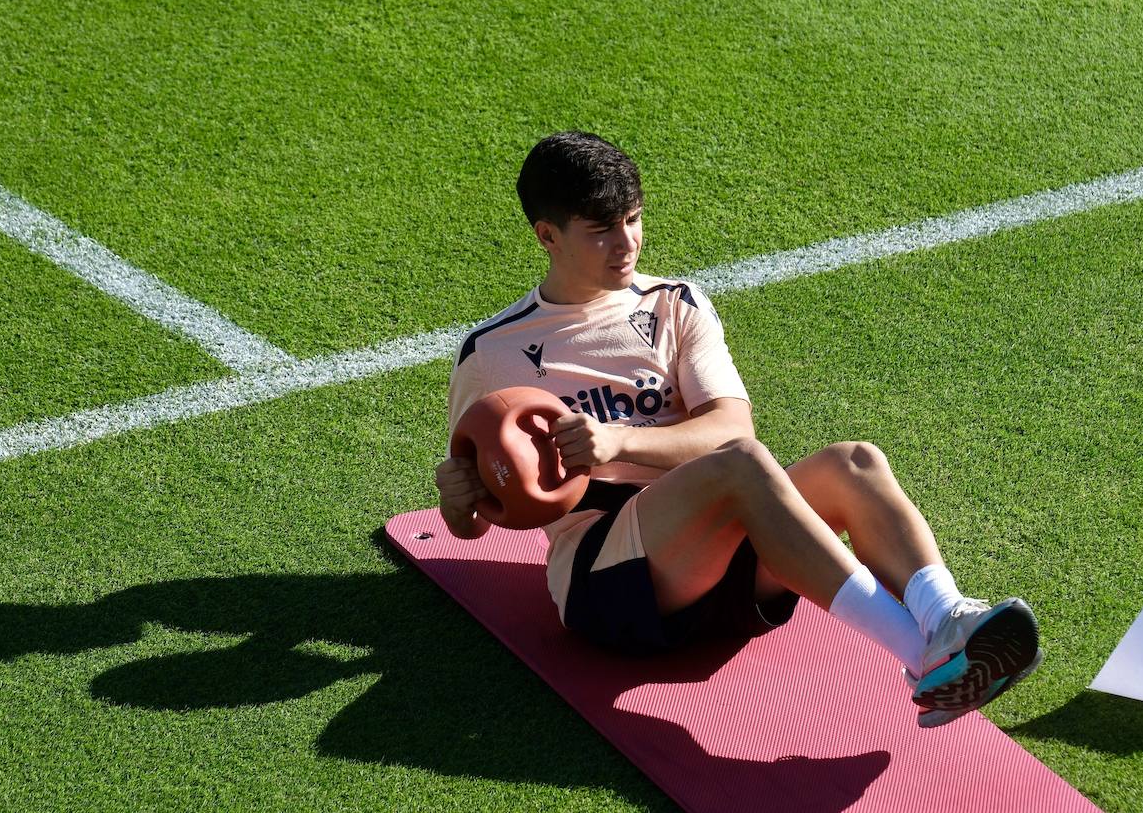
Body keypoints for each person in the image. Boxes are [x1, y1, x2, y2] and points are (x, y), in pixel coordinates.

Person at [434, 131, 1041, 726]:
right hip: (609, 590)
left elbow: (730, 426)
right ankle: (924, 657)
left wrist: (618, 441)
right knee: (743, 465)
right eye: (601, 231)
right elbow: (473, 515)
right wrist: (459, 503)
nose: (627, 245)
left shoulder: (676, 303)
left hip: (725, 571)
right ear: (548, 236)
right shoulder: (493, 353)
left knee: (853, 461)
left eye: (634, 220)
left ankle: (948, 619)